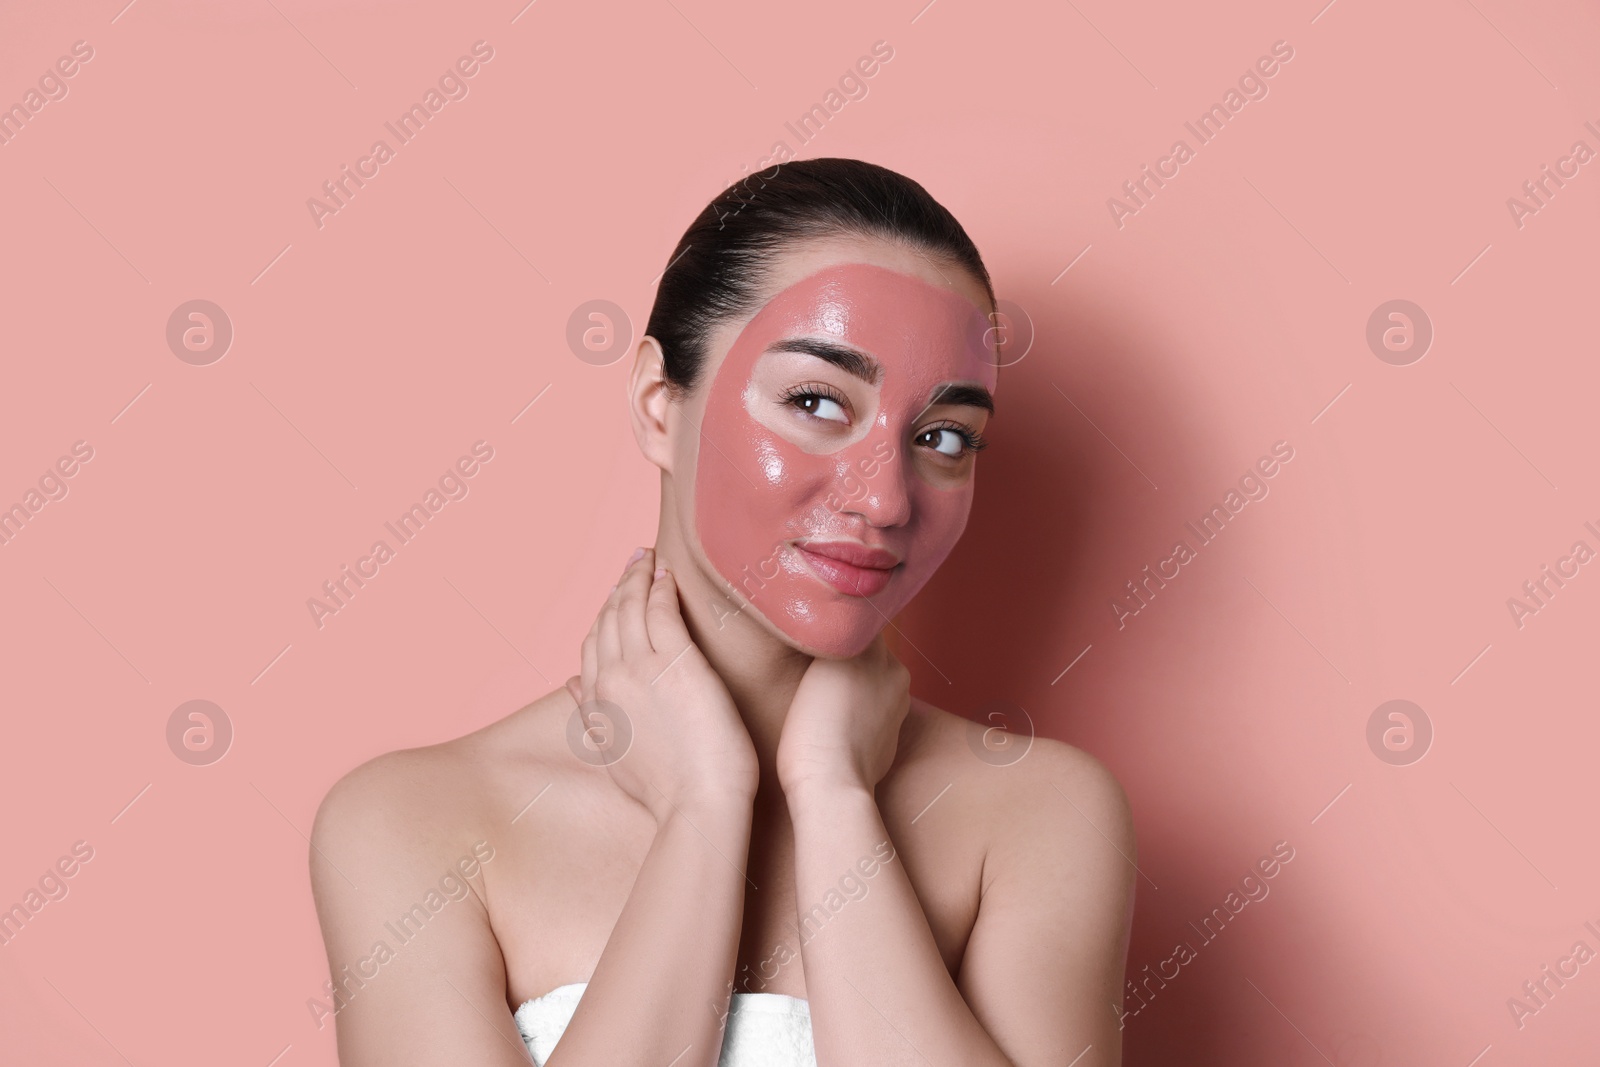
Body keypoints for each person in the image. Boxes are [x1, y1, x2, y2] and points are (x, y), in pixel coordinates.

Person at [310, 157, 1136, 1066]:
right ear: (659, 406)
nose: (887, 500)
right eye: (817, 400)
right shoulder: (414, 823)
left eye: (943, 437)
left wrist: (834, 795)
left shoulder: (1040, 817)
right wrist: (703, 805)